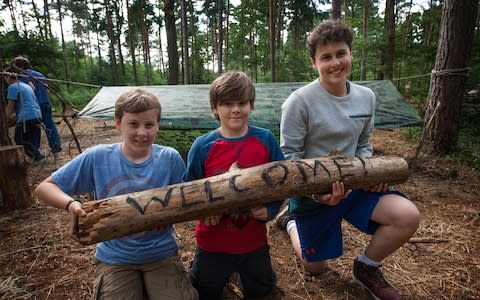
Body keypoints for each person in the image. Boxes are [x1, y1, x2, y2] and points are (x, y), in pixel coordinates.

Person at [275, 20, 420, 300]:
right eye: (326, 57)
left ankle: (366, 268)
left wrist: (370, 175)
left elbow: (365, 144)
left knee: (407, 215)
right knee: (316, 268)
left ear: (351, 54)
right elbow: (289, 158)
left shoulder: (366, 97)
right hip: (312, 196)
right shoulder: (298, 102)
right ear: (313, 63)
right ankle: (290, 220)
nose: (335, 63)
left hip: (356, 187)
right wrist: (317, 195)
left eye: (341, 53)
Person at [35, 89, 198, 300]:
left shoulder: (169, 158)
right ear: (118, 123)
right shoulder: (98, 157)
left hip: (161, 254)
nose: (142, 132)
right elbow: (43, 189)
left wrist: (171, 214)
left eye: (149, 125)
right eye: (133, 124)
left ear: (158, 124)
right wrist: (72, 205)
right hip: (115, 258)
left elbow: (183, 202)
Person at [185, 71, 284, 300]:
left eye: (242, 103)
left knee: (262, 290)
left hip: (253, 241)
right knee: (203, 291)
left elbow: (282, 183)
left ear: (251, 105)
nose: (236, 109)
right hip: (212, 242)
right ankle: (220, 276)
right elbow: (189, 190)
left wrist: (269, 209)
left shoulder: (266, 140)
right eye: (227, 104)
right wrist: (205, 210)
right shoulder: (203, 146)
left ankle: (242, 276)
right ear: (215, 108)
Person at [11, 56, 63, 160]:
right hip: (45, 103)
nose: (13, 69)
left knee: (33, 130)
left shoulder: (22, 76)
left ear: (20, 66)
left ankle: (36, 154)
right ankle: (57, 153)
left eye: (15, 66)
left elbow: (29, 91)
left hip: (34, 106)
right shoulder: (39, 74)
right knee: (50, 127)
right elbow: (46, 90)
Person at [3, 68, 46, 165]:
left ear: (9, 76)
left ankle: (38, 157)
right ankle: (35, 157)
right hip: (37, 114)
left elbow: (10, 106)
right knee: (28, 139)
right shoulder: (25, 85)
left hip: (26, 116)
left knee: (19, 140)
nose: (5, 81)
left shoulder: (13, 87)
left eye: (5, 77)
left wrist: (4, 120)